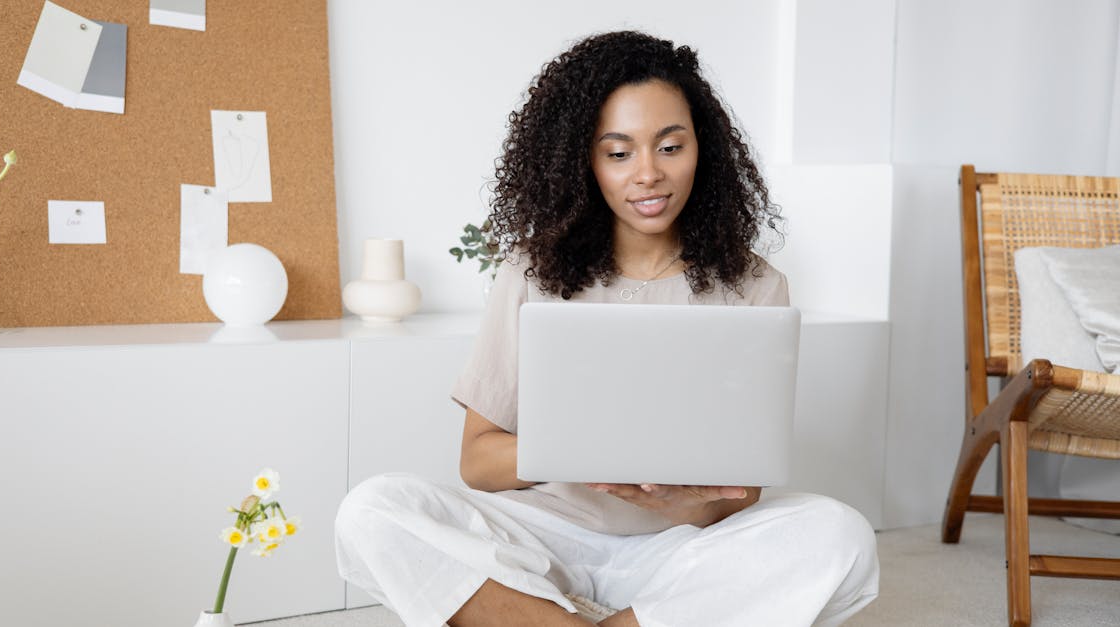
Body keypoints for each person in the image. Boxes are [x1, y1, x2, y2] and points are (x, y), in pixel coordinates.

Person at [335, 31, 879, 626]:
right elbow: (478, 463)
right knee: (373, 510)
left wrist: (680, 500)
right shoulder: (530, 272)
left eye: (670, 147)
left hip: (677, 549)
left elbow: (740, 494)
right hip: (540, 540)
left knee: (840, 536)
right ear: (583, 161)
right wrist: (577, 450)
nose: (647, 174)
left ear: (705, 150)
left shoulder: (755, 285)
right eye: (618, 153)